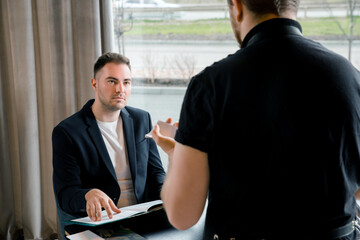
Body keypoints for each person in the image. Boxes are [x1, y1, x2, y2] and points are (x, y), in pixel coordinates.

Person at [150, 0, 360, 239]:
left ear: (237, 6)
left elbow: (182, 214)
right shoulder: (351, 77)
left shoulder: (211, 85)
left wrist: (177, 156)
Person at [52, 52, 166, 234]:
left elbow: (156, 171)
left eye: (126, 82)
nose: (120, 89)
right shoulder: (67, 132)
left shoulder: (141, 119)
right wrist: (87, 195)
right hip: (103, 223)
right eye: (112, 81)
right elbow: (66, 194)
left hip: (145, 218)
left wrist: (166, 195)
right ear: (94, 84)